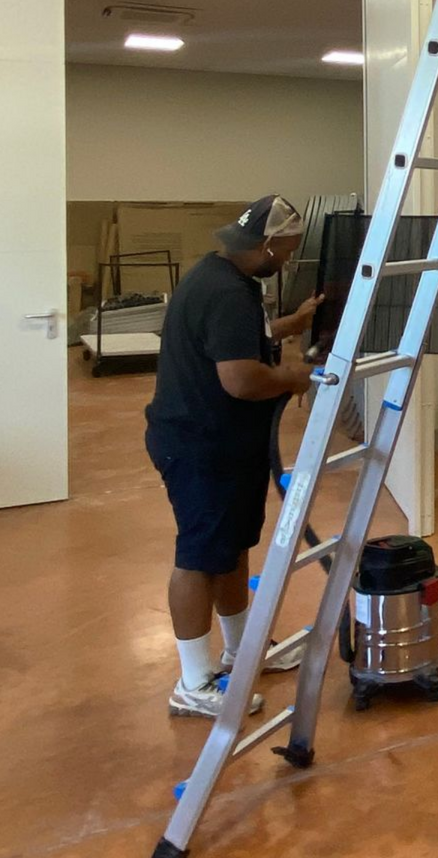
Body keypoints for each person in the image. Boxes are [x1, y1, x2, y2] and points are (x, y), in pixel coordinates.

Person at [145, 193, 318, 719]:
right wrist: (297, 377)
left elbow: (244, 338)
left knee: (232, 547)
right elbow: (240, 379)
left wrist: (295, 321)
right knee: (200, 558)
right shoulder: (227, 294)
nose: (286, 259)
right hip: (200, 446)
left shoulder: (223, 279)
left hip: (224, 444)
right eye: (285, 251)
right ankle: (194, 682)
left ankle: (242, 652)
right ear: (266, 244)